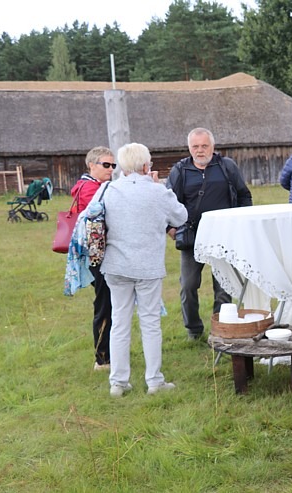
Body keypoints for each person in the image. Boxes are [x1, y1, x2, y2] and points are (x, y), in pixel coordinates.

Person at [98, 143, 188, 397]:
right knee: (149, 323)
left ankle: (118, 382)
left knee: (120, 323)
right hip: (147, 266)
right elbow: (181, 216)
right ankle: (154, 381)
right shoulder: (158, 191)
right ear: (146, 165)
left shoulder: (109, 189)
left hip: (116, 265)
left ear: (124, 166)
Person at [166, 128, 253, 341]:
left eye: (204, 146)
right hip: (192, 238)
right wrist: (168, 228)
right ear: (189, 148)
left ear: (212, 147)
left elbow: (244, 196)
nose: (200, 150)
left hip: (223, 236)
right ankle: (194, 330)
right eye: (195, 146)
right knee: (188, 286)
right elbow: (166, 202)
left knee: (223, 286)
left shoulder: (226, 167)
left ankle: (222, 328)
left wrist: (242, 222)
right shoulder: (180, 170)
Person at [71, 146, 115, 371]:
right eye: (106, 165)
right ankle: (103, 358)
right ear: (92, 165)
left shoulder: (95, 186)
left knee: (107, 302)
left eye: (113, 165)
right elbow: (106, 212)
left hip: (98, 253)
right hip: (97, 255)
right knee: (104, 303)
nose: (111, 169)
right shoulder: (91, 188)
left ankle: (108, 354)